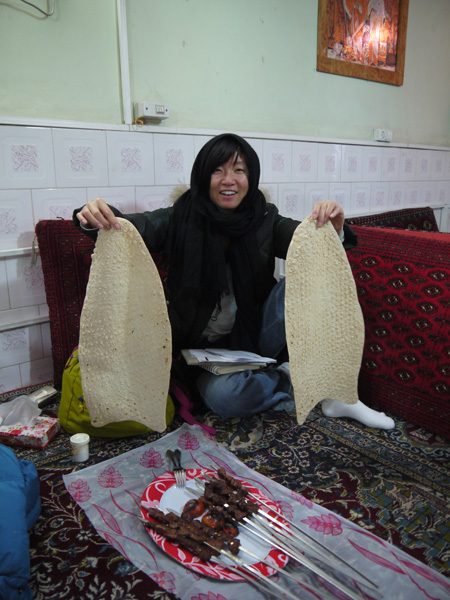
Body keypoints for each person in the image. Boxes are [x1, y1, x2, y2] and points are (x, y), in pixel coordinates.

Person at [74, 133, 394, 430]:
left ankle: (335, 394)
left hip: (254, 336)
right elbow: (130, 228)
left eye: (239, 170)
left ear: (250, 178)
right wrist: (94, 215)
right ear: (203, 177)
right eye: (217, 170)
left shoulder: (265, 218)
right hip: (200, 353)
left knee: (312, 275)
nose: (229, 180)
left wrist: (332, 229)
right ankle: (289, 378)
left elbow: (305, 241)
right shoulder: (179, 218)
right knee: (226, 398)